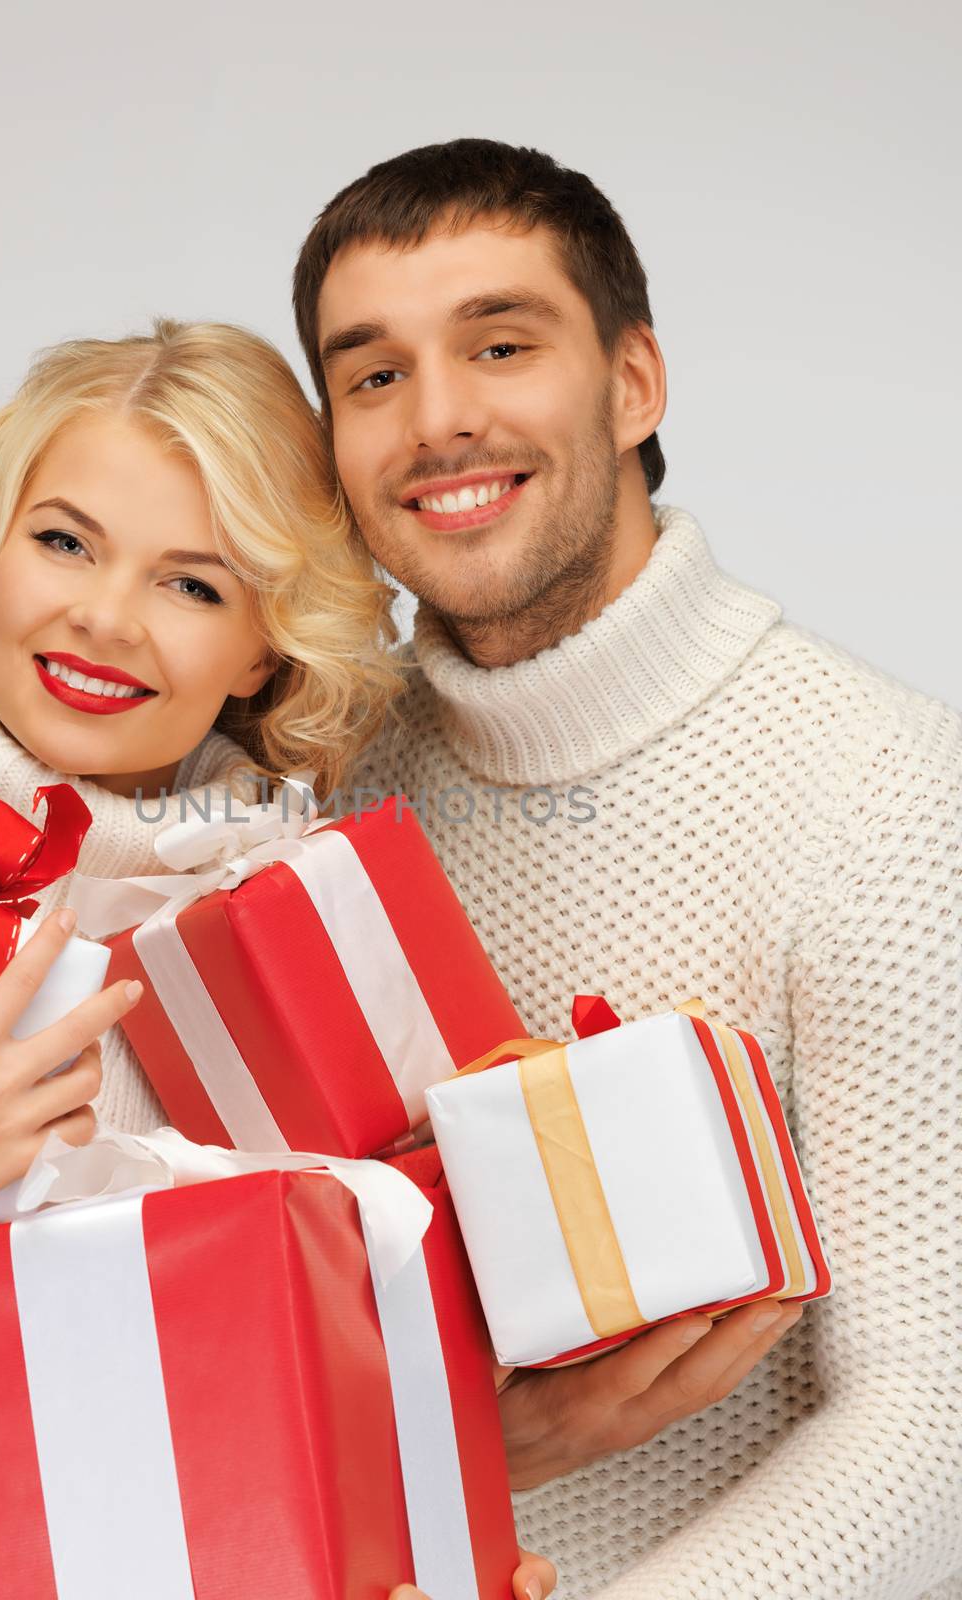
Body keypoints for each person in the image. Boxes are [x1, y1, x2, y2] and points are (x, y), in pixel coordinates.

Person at [0, 318, 551, 1598]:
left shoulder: (314, 958)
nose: (105, 617)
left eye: (195, 583)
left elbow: (324, 1423)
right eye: (65, 540)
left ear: (264, 644)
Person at [293, 138, 962, 1599]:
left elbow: (936, 1422)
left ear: (636, 383)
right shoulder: (328, 785)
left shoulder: (885, 792)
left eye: (502, 342)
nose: (439, 420)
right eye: (374, 376)